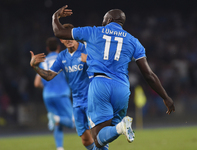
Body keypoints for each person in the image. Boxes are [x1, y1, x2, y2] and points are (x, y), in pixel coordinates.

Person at [51, 6, 176, 150]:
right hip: (122, 89)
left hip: (100, 85)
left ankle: (121, 127)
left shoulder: (93, 31)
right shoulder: (134, 41)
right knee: (106, 136)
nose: (103, 22)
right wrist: (165, 97)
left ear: (109, 19)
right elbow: (149, 75)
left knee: (97, 139)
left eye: (104, 19)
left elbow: (58, 31)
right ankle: (120, 127)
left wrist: (55, 16)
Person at [30, 24, 94, 150]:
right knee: (85, 140)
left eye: (70, 36)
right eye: (65, 37)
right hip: (76, 101)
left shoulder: (88, 49)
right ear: (61, 40)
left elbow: (105, 67)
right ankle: (59, 147)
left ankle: (119, 128)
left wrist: (91, 62)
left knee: (97, 134)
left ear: (76, 36)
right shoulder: (62, 56)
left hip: (92, 99)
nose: (68, 39)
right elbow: (48, 76)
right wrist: (35, 67)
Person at [34, 37, 74, 150]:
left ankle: (59, 148)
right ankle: (55, 118)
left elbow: (37, 83)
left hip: (47, 95)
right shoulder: (62, 58)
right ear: (58, 47)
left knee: (57, 123)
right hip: (61, 94)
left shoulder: (43, 62)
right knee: (71, 123)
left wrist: (47, 86)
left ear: (47, 48)